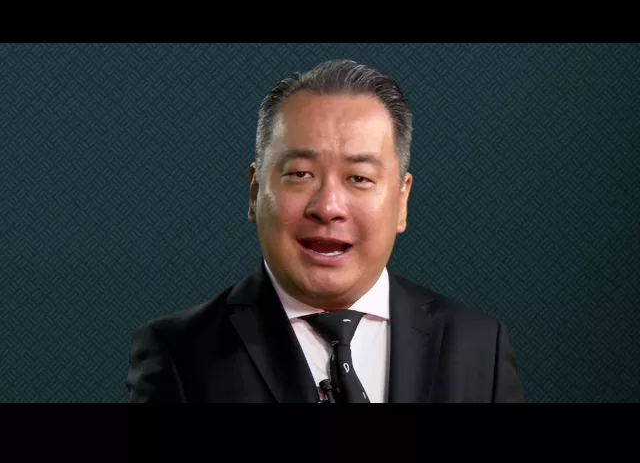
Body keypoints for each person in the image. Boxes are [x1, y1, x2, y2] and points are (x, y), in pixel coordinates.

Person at [125, 59, 526, 403]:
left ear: (402, 201)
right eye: (301, 174)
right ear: (255, 192)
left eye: (359, 178)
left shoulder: (479, 348)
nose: (328, 207)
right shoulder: (179, 355)